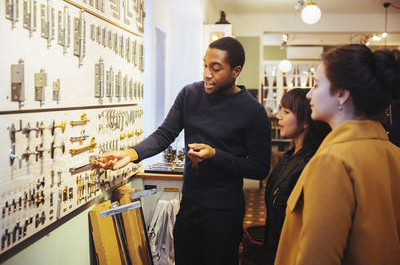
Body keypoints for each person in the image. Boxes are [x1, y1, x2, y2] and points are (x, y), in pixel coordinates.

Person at [97, 37, 271, 264]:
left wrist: (216, 155)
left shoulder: (253, 111)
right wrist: (131, 154)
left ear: (236, 71)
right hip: (190, 205)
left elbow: (260, 167)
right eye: (205, 65)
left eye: (216, 68)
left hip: (225, 211)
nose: (207, 74)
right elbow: (164, 134)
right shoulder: (190, 94)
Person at [275, 44, 400, 265]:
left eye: (316, 84)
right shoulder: (394, 154)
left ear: (341, 94)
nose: (310, 93)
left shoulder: (332, 161)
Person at [263, 88, 330, 265]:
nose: (278, 116)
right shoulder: (290, 154)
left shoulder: (311, 163)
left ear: (306, 121)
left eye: (286, 112)